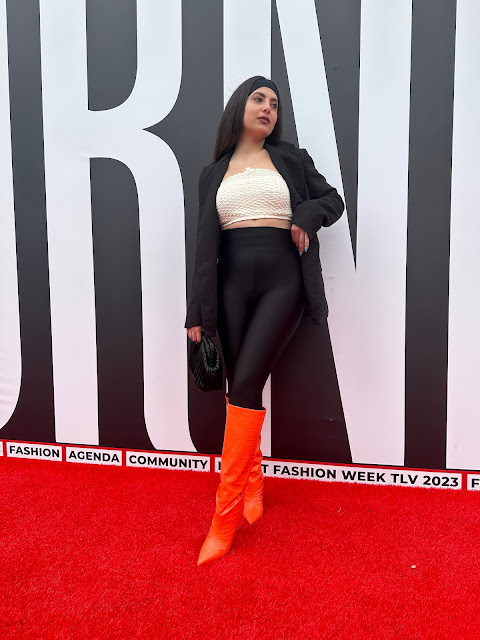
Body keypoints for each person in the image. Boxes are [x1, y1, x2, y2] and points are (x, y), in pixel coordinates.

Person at [185, 76, 344, 566]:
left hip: (283, 281)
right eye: (259, 99)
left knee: (248, 379)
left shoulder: (293, 160)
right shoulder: (212, 173)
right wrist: (196, 313)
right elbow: (203, 248)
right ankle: (252, 483)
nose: (267, 108)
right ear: (240, 107)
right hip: (229, 282)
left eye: (274, 104)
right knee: (240, 383)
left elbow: (332, 201)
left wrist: (305, 215)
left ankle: (223, 518)